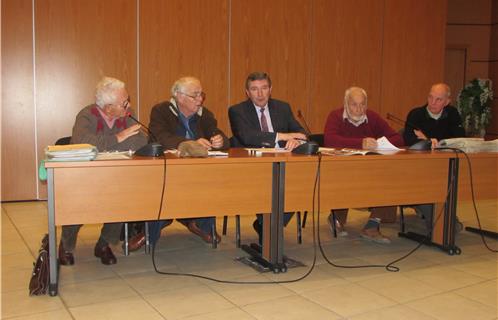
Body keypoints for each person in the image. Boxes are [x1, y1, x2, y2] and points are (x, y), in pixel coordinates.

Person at [127, 76, 229, 251]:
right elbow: (160, 136)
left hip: (198, 173)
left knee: (210, 182)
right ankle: (150, 232)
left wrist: (220, 140)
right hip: (168, 170)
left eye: (201, 94)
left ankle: (200, 224)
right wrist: (190, 143)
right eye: (195, 95)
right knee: (162, 188)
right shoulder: (161, 111)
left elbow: (220, 136)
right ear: (178, 96)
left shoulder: (205, 115)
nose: (200, 99)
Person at [59, 77, 148, 265]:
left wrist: (104, 144)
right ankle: (66, 246)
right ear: (108, 108)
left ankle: (104, 245)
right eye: (124, 103)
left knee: (119, 201)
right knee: (80, 204)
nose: (129, 105)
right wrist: (119, 137)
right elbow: (82, 143)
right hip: (86, 176)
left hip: (116, 174)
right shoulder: (87, 115)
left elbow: (141, 141)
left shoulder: (126, 115)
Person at [229, 71, 307, 244]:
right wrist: (281, 136)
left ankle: (268, 225)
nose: (260, 93)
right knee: (269, 184)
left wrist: (296, 140)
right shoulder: (237, 111)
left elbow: (301, 132)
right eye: (254, 89)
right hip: (253, 166)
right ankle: (269, 227)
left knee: (300, 184)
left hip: (283, 163)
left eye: (264, 88)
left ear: (270, 89)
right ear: (247, 92)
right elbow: (247, 137)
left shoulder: (283, 107)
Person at [323, 86, 404, 244]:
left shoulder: (373, 117)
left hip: (370, 167)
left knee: (390, 176)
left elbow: (398, 139)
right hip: (342, 168)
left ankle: (372, 225)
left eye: (362, 104)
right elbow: (330, 140)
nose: (358, 109)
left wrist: (379, 144)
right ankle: (336, 218)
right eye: (354, 104)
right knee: (344, 177)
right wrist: (360, 143)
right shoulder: (335, 116)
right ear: (346, 103)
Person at [403, 83, 465, 232]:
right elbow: (408, 139)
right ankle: (441, 224)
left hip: (443, 165)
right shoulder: (416, 114)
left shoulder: (452, 114)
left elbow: (460, 138)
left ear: (447, 101)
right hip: (419, 167)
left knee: (451, 181)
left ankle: (445, 220)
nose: (432, 102)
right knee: (428, 184)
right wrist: (427, 142)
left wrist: (428, 138)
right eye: (430, 97)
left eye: (438, 99)